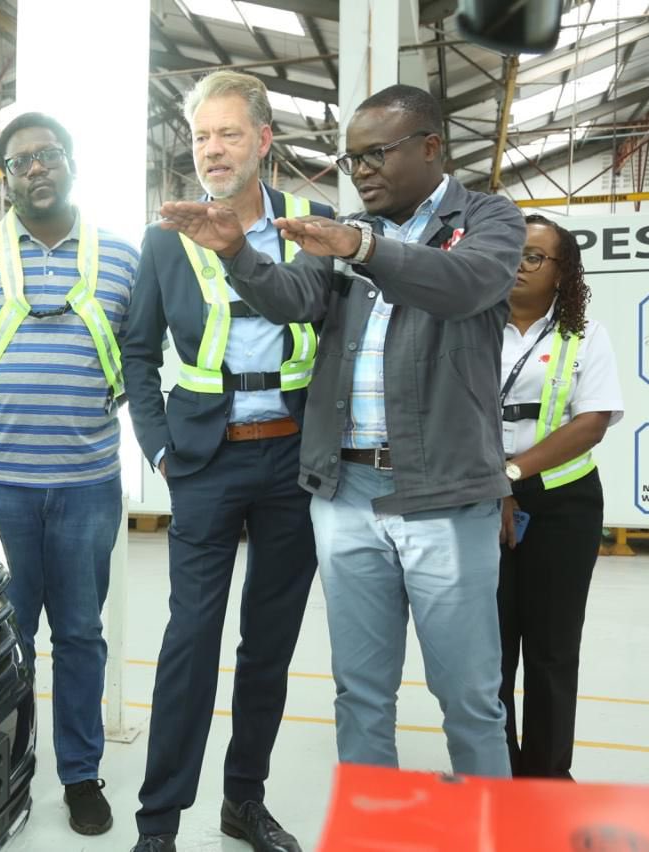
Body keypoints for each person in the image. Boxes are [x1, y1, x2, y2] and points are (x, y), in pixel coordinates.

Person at [156, 84, 526, 782]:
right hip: (345, 491)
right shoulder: (344, 231)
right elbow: (297, 299)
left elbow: (462, 286)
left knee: (470, 700)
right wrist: (238, 253)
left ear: (430, 147)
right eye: (351, 159)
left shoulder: (488, 219)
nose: (361, 172)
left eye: (376, 154)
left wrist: (363, 246)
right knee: (360, 691)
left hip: (443, 495)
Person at [122, 71, 331, 852]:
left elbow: (316, 315)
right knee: (190, 643)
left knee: (268, 647)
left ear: (264, 141)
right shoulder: (164, 238)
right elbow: (138, 355)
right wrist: (163, 450)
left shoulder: (313, 225)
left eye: (229, 134)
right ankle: (159, 823)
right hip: (205, 464)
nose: (211, 150)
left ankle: (244, 803)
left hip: (292, 462)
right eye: (202, 135)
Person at [0, 112, 139, 836]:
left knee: (80, 634)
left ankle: (81, 775)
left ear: (71, 163)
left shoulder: (121, 259)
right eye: (19, 163)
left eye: (47, 156)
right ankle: (8, 766)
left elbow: (138, 358)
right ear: (6, 179)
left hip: (87, 486)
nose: (35, 170)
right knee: (7, 637)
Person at [497, 213, 623, 779]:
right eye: (512, 252)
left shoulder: (586, 335)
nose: (519, 265)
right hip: (483, 504)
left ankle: (546, 776)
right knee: (489, 652)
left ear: (561, 271)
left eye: (534, 257)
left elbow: (591, 421)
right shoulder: (470, 326)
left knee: (551, 650)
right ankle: (495, 766)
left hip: (564, 507)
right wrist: (492, 485)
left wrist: (513, 473)